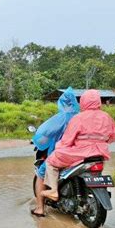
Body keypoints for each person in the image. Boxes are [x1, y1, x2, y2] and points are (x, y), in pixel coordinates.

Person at [41, 90, 115, 201]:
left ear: (83, 102)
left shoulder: (78, 118)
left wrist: (59, 147)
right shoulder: (107, 117)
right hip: (100, 153)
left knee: (51, 161)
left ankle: (53, 190)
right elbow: (113, 136)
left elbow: (67, 141)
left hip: (80, 154)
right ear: (98, 101)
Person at [31, 87, 79, 217]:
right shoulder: (80, 117)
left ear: (62, 103)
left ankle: (40, 208)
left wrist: (35, 139)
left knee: (41, 172)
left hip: (62, 155)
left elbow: (44, 131)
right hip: (82, 154)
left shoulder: (62, 117)